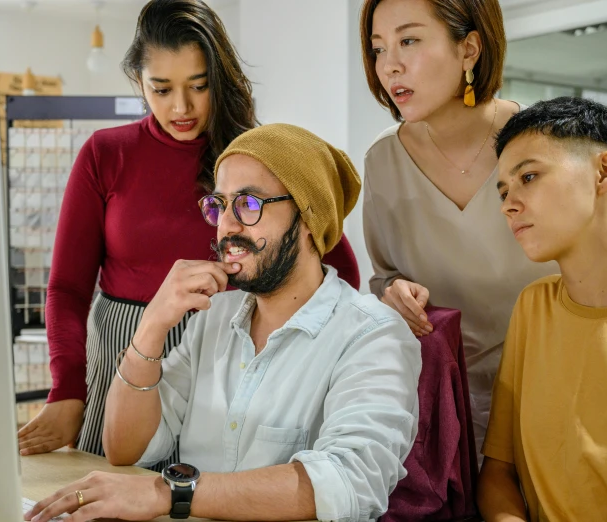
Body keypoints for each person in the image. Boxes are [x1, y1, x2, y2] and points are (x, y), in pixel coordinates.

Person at [17, 0, 361, 464]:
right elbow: (66, 288)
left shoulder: (251, 159)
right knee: (115, 486)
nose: (181, 107)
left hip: (227, 353)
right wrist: (67, 391)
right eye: (161, 89)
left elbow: (336, 264)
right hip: (127, 351)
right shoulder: (105, 153)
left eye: (199, 86)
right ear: (138, 81)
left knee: (211, 492)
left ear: (218, 80)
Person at [24, 124, 421, 522]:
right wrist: (152, 325)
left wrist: (170, 493)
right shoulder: (212, 322)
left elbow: (348, 482)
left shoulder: (373, 335)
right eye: (219, 205)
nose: (227, 225)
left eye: (248, 204)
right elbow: (127, 448)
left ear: (308, 218)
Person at [358, 0, 607, 455]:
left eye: (409, 40)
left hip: (562, 403)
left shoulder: (545, 145)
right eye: (377, 49)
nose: (388, 66)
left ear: (470, 48)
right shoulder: (382, 161)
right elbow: (385, 275)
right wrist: (393, 292)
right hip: (442, 417)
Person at [477, 97, 607, 521]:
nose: (508, 205)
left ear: (604, 172)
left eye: (529, 177)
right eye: (503, 191)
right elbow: (499, 471)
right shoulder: (534, 309)